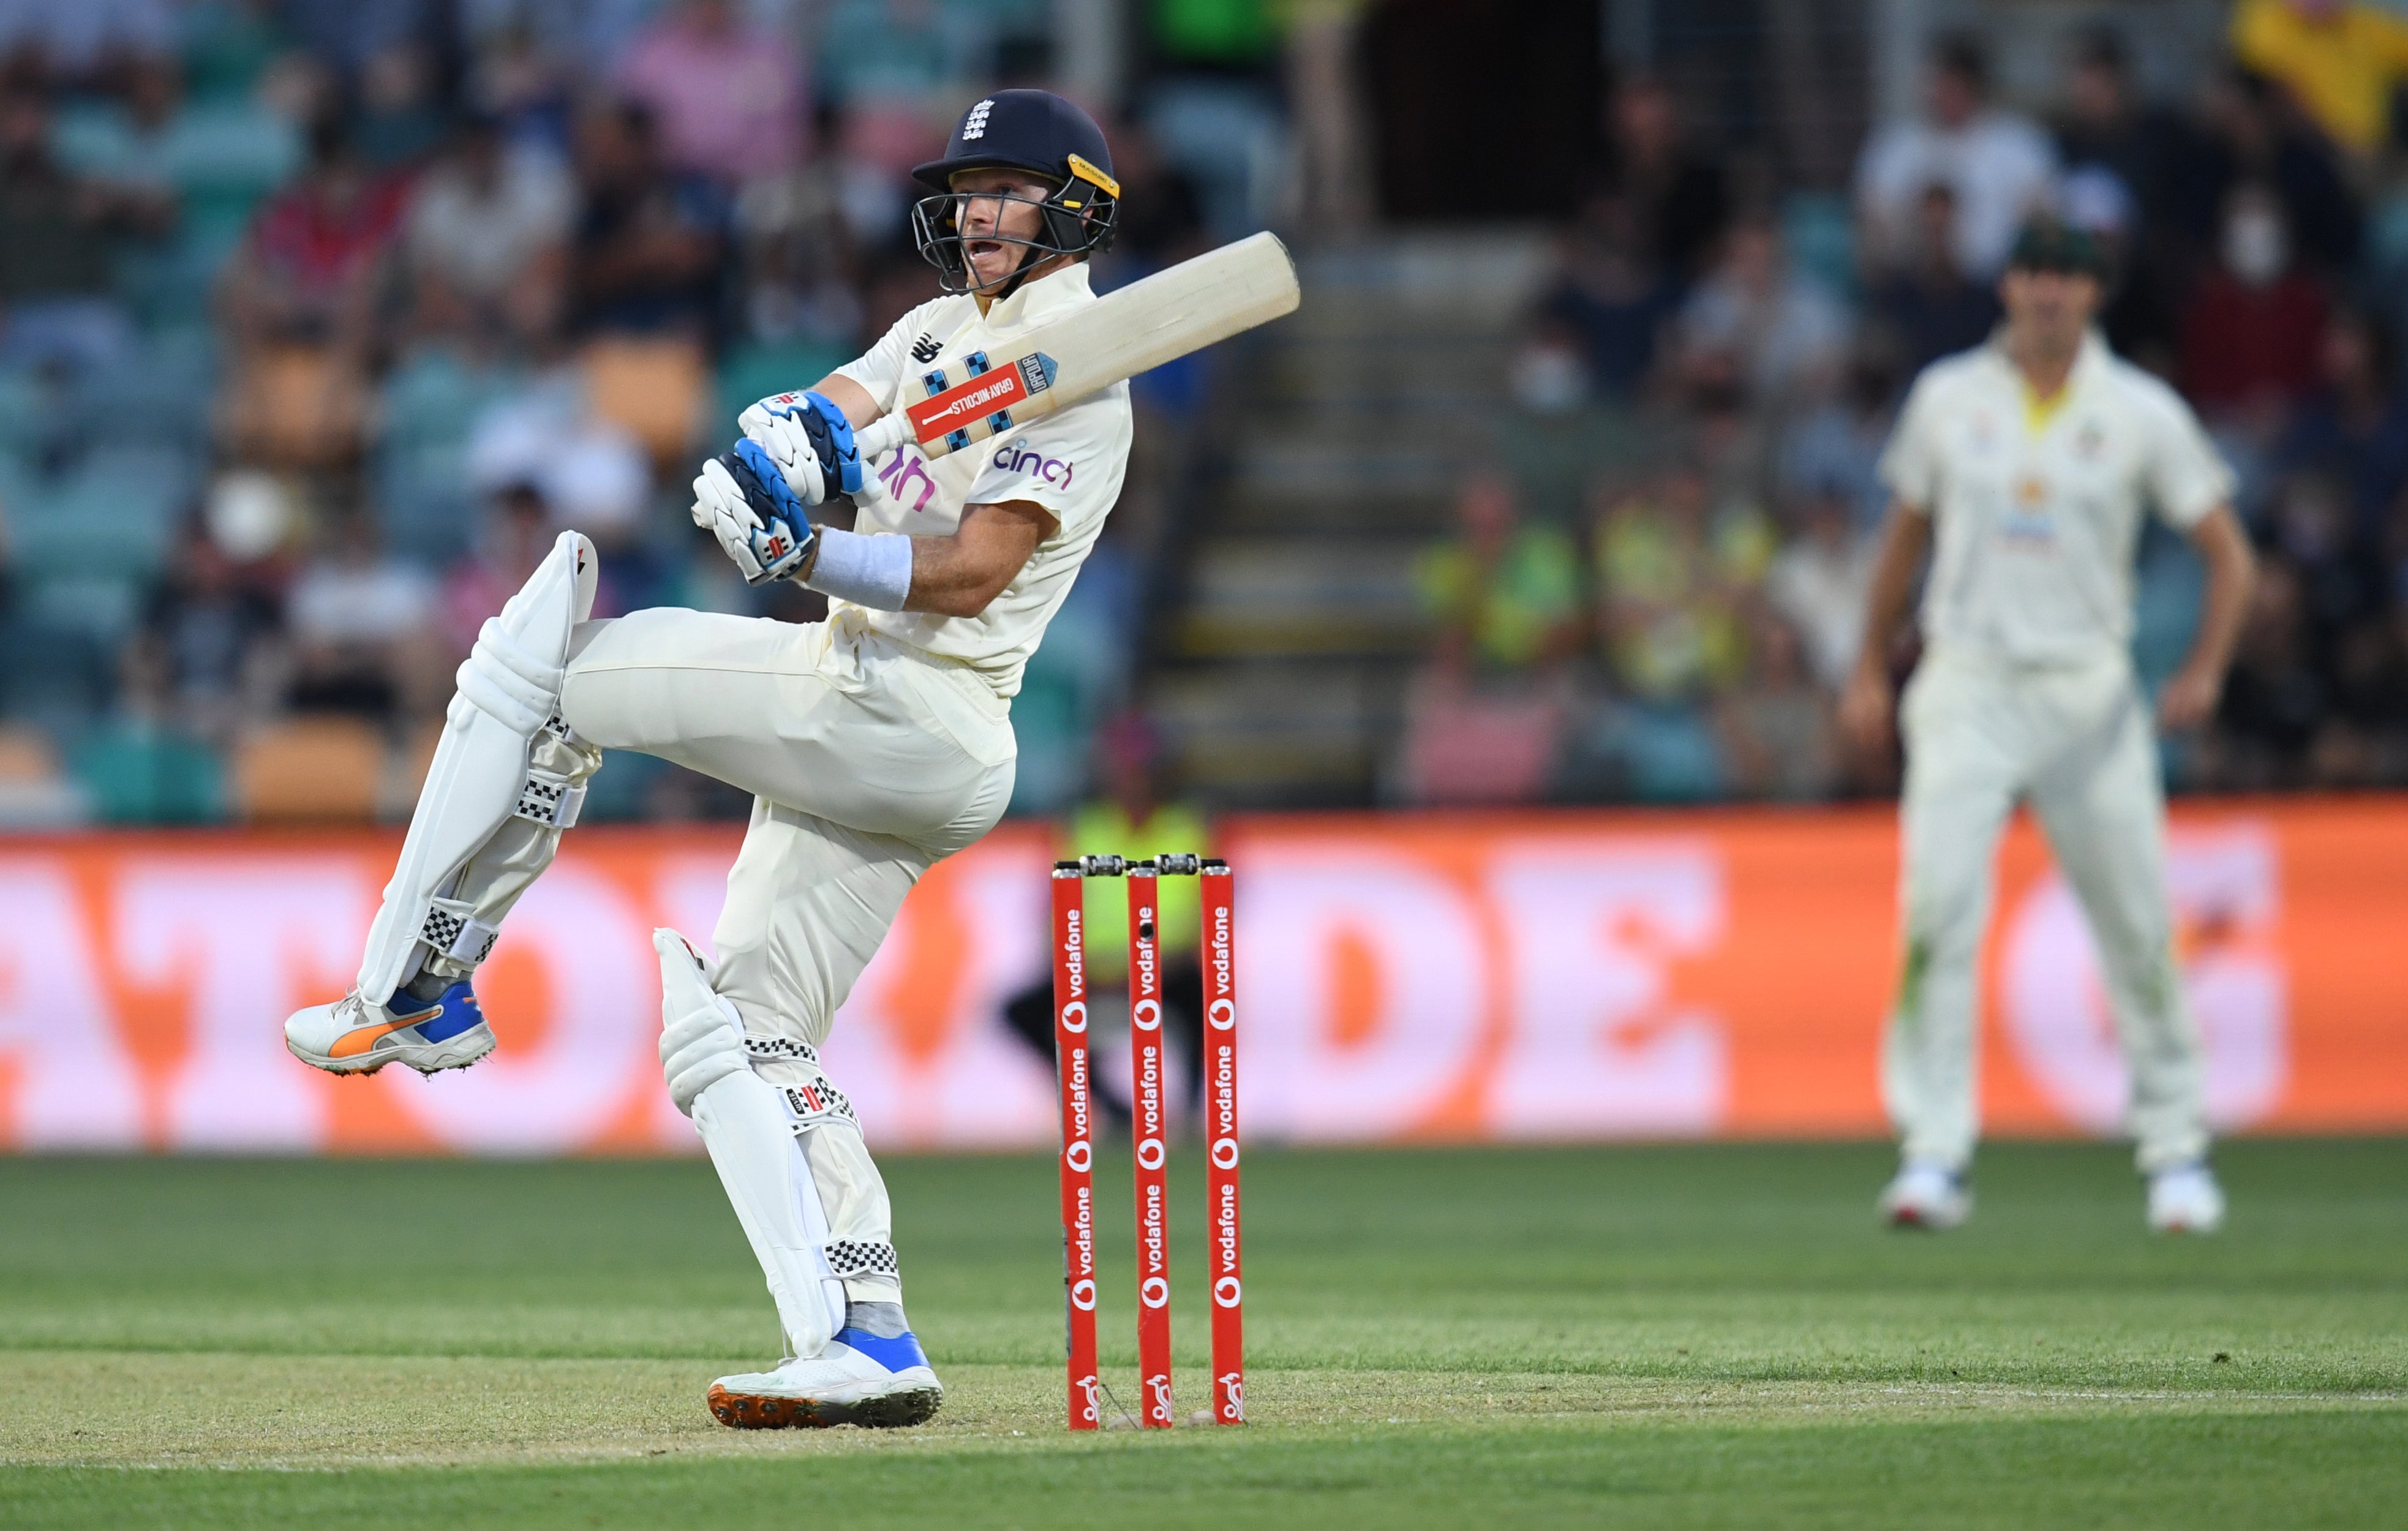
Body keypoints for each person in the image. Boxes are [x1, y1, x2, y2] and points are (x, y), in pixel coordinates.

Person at [283, 89, 1132, 1430]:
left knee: (549, 664)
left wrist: (805, 550)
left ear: (1073, 206)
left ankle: (417, 979)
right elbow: (839, 402)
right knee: (740, 1030)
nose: (977, 210)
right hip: (869, 722)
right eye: (968, 188)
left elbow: (971, 574)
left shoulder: (1085, 376)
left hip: (912, 704)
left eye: (1011, 189)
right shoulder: (935, 334)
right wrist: (782, 437)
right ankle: (864, 1333)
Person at [1839, 220, 2257, 1235]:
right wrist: (1864, 668)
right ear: (2009, 285)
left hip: (2088, 689)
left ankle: (2176, 1151)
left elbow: (2231, 558)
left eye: (2069, 277)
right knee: (1936, 916)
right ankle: (1934, 1153)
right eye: (2034, 274)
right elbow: (1902, 543)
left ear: (2095, 294)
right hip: (1968, 678)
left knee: (2136, 924)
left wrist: (2201, 671)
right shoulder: (1949, 399)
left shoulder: (2140, 412)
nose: (2049, 294)